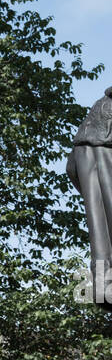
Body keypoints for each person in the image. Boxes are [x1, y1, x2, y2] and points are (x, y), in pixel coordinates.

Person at [67, 86, 112, 307]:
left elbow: (71, 169)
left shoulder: (96, 110)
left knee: (99, 225)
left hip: (85, 157)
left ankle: (103, 284)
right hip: (104, 153)